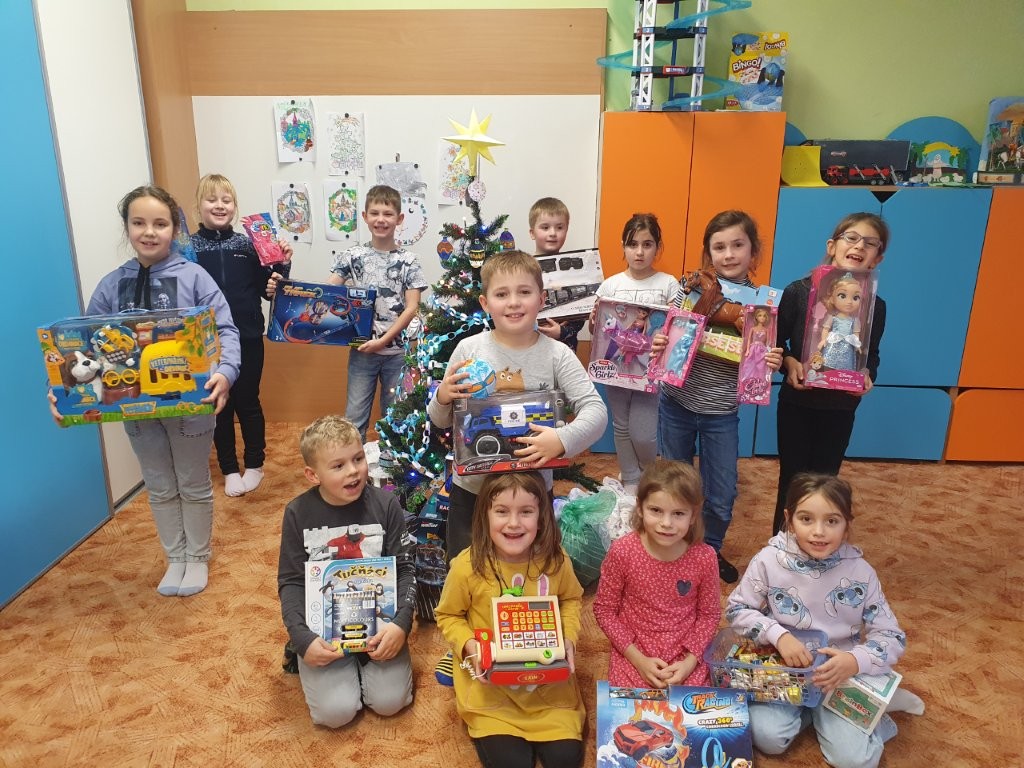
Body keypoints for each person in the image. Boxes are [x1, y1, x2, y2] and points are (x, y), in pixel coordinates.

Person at [49, 185, 241, 597]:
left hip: (191, 404)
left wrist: (225, 373)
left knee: (192, 482)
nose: (149, 232)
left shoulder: (194, 276)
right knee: (159, 484)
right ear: (127, 228)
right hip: (135, 407)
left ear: (174, 229)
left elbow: (225, 329)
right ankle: (176, 558)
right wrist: (64, 393)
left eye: (160, 223)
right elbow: (84, 346)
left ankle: (197, 557)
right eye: (139, 223)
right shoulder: (112, 284)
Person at [726, 473, 922, 768]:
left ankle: (875, 716)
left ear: (847, 525)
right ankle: (818, 713)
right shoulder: (767, 560)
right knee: (766, 737)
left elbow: (891, 636)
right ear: (789, 519)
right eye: (806, 519)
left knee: (854, 761)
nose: (819, 532)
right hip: (784, 672)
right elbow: (737, 610)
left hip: (839, 676)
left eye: (832, 521)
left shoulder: (862, 571)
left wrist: (854, 660)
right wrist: (778, 634)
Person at [427, 250, 607, 560]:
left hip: (531, 496)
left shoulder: (557, 354)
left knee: (532, 570)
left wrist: (562, 439)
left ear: (542, 299)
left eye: (524, 292)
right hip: (472, 492)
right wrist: (443, 396)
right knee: (467, 568)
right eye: (501, 294)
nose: (513, 302)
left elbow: (596, 411)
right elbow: (441, 421)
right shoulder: (468, 350)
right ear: (485, 303)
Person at [655, 211, 783, 583]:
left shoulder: (762, 307)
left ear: (753, 252)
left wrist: (770, 359)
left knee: (722, 493)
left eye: (737, 245)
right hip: (676, 402)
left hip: (721, 411)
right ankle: (674, 547)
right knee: (673, 484)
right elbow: (668, 336)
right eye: (719, 247)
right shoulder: (690, 289)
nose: (728, 254)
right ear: (708, 252)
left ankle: (708, 550)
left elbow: (761, 359)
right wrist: (660, 342)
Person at [434, 471, 586, 768]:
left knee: (565, 760)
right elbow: (448, 614)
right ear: (485, 516)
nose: (514, 523)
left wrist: (569, 636)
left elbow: (571, 599)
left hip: (548, 688)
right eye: (502, 511)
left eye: (526, 512)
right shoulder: (467, 565)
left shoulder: (556, 559)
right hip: (492, 693)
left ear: (541, 516)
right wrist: (470, 646)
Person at [277, 415, 416, 728]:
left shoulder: (386, 504)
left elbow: (405, 569)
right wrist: (302, 639)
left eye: (358, 459)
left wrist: (400, 625)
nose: (353, 471)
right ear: (313, 475)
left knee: (390, 703)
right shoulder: (297, 513)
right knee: (335, 713)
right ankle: (305, 656)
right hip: (324, 632)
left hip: (380, 626)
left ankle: (362, 670)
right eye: (338, 466)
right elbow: (291, 582)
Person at [270, 185, 427, 442]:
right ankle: (355, 464)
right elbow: (325, 292)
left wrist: (384, 340)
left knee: (396, 418)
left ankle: (393, 465)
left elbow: (412, 307)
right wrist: (287, 287)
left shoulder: (409, 260)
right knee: (355, 419)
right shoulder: (352, 256)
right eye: (374, 213)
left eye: (388, 214)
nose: (381, 219)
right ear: (364, 216)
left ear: (399, 219)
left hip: (398, 353)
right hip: (362, 351)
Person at [772, 213, 889, 534]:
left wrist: (868, 376)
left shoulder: (875, 306)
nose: (859, 246)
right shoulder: (798, 292)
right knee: (793, 478)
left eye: (870, 243)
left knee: (826, 480)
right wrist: (789, 363)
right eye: (851, 238)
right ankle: (781, 546)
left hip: (841, 407)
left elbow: (871, 355)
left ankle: (816, 546)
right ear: (832, 245)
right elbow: (776, 342)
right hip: (797, 402)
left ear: (877, 258)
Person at [191, 173, 292, 497]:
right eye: (212, 199)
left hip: (247, 335)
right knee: (219, 405)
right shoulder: (188, 249)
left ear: (235, 206)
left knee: (248, 401)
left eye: (227, 200)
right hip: (206, 342)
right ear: (199, 206)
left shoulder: (248, 245)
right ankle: (229, 468)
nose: (220, 205)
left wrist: (282, 265)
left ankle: (254, 464)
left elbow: (269, 291)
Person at [593, 459, 719, 688]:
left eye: (678, 513)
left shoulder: (705, 557)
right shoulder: (623, 551)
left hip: (686, 656)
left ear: (693, 515)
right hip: (634, 654)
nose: (666, 523)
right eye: (656, 510)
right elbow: (605, 610)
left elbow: (709, 615)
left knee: (694, 709)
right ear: (640, 508)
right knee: (630, 710)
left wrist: (690, 662)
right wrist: (638, 660)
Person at [589, 213, 680, 493]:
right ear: (623, 246)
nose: (639, 252)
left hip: (649, 370)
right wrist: (593, 320)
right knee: (621, 425)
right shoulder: (610, 285)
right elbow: (598, 332)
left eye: (647, 244)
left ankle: (649, 473)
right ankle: (630, 479)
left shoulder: (668, 284)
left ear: (657, 247)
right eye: (632, 244)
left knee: (643, 433)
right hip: (616, 367)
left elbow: (678, 331)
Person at [529, 197, 584, 351]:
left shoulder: (575, 270)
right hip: (529, 345)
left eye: (559, 227)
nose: (553, 233)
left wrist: (562, 332)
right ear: (532, 233)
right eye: (545, 227)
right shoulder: (523, 269)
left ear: (566, 231)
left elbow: (580, 311)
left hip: (564, 348)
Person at [817, 272, 865, 372]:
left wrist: (857, 345)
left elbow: (856, 334)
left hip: (847, 346)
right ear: (832, 299)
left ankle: (843, 376)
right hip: (833, 343)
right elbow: (825, 329)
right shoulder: (833, 317)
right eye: (842, 296)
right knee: (828, 364)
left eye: (855, 298)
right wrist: (823, 340)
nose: (849, 302)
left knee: (846, 366)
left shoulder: (855, 320)